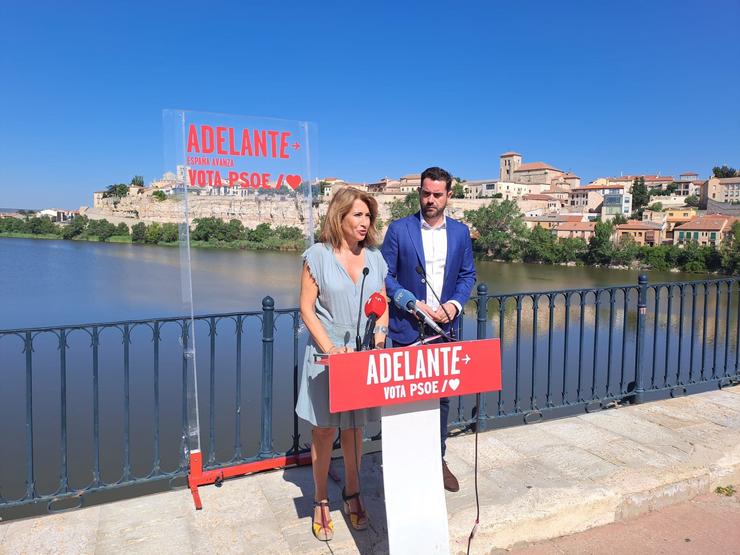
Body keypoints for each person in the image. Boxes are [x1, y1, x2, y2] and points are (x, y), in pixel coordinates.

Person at [296, 186, 389, 541]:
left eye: (368, 216)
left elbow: (381, 305)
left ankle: (353, 493)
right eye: (358, 215)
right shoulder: (316, 256)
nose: (365, 222)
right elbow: (306, 307)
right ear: (340, 217)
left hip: (362, 353)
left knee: (354, 428)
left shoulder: (375, 259)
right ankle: (320, 500)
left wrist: (379, 338)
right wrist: (330, 347)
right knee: (323, 431)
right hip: (327, 355)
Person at [381, 166, 476, 492]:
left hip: (445, 329)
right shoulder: (398, 230)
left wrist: (455, 304)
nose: (430, 199)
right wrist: (411, 303)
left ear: (449, 195)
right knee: (403, 398)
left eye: (437, 194)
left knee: (442, 399)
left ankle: (437, 459)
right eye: (425, 193)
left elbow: (467, 276)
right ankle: (404, 462)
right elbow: (386, 276)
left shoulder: (461, 233)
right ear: (419, 193)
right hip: (407, 327)